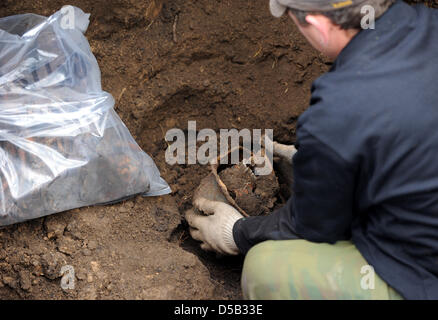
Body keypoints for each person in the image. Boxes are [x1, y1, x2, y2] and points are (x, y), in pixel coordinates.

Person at [186, 0, 438, 300]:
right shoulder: (428, 23)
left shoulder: (339, 104)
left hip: (423, 274)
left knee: (264, 268)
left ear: (318, 24)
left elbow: (315, 226)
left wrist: (236, 233)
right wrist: (323, 158)